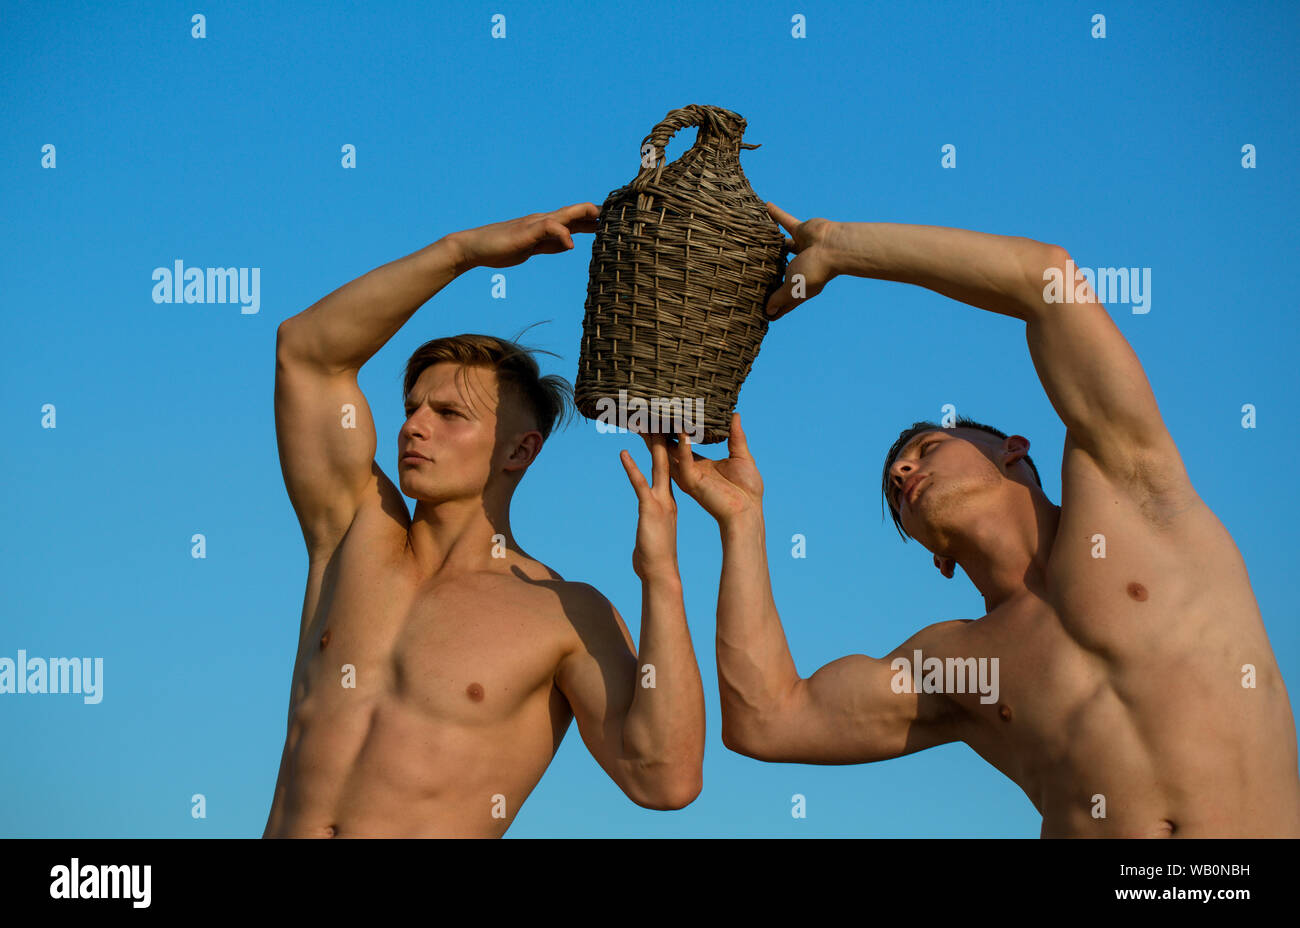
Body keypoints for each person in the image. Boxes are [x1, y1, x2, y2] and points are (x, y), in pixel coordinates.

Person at [662, 202, 1300, 837]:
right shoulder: (956, 663)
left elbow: (1048, 282)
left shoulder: (1133, 492)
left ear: (1015, 450)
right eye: (894, 485)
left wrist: (842, 246)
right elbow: (768, 720)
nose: (903, 472)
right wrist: (741, 523)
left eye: (927, 448)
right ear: (938, 559)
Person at [263, 204, 704, 837]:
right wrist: (462, 251)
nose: (414, 425)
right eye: (412, 406)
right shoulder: (352, 528)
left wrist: (661, 575)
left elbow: (664, 779)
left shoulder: (565, 613)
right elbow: (304, 351)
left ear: (520, 451)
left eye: (449, 413)